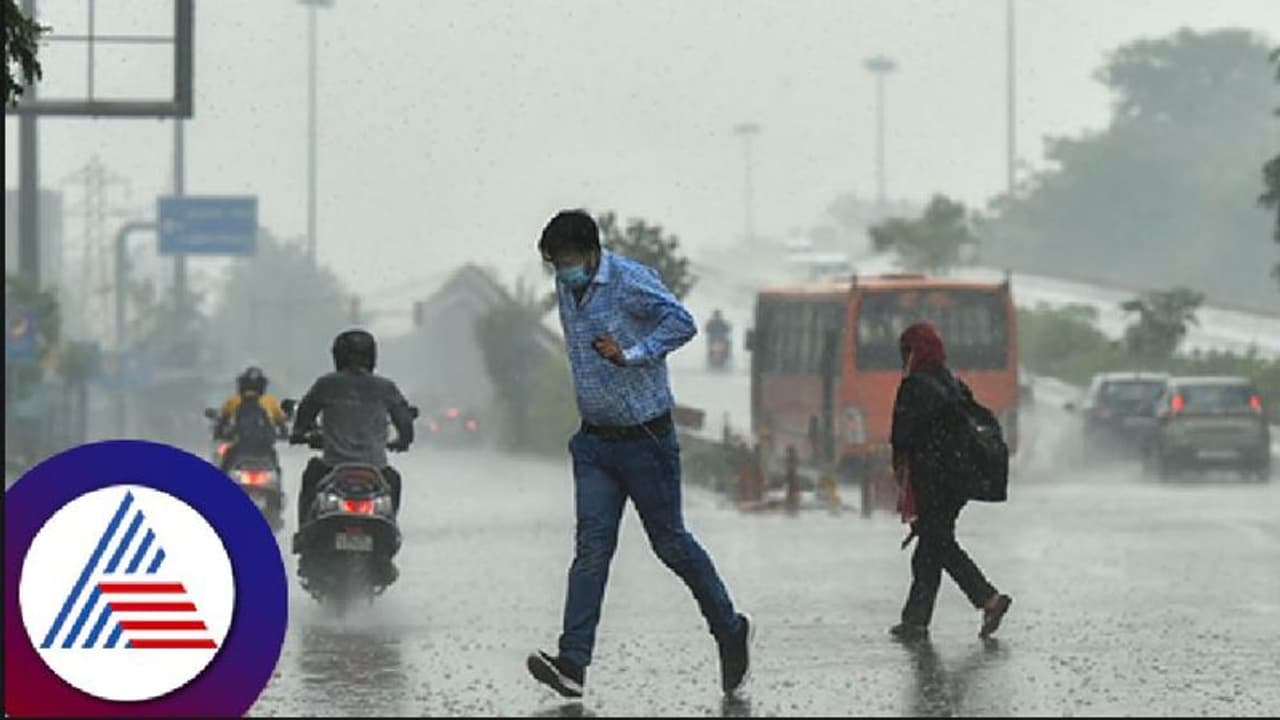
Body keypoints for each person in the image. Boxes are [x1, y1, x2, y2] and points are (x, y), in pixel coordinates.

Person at [525, 209, 754, 700]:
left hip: (646, 441)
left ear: (591, 253)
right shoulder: (566, 288)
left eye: (569, 260)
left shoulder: (630, 281)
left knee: (671, 545)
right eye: (555, 262)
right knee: (591, 551)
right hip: (594, 444)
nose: (563, 271)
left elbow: (683, 323)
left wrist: (631, 352)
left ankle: (731, 631)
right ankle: (573, 663)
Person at [889, 322, 1013, 642]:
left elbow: (902, 436)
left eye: (905, 351)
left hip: (932, 478)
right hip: (959, 479)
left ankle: (988, 598)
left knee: (939, 543)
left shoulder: (915, 386)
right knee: (930, 545)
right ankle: (916, 619)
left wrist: (900, 470)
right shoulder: (952, 382)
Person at [289, 329, 416, 530]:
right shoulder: (386, 387)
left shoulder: (327, 384)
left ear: (338, 356)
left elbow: (305, 414)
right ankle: (389, 530)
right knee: (394, 480)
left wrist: (299, 433)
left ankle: (304, 532)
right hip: (376, 468)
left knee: (311, 476)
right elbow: (405, 423)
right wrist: (403, 440)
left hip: (332, 466)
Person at [215, 366, 289, 472]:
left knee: (224, 469)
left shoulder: (233, 401)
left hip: (240, 446)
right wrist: (283, 435)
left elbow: (222, 422)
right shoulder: (271, 401)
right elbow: (281, 423)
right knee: (275, 468)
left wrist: (221, 434)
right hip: (264, 448)